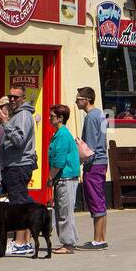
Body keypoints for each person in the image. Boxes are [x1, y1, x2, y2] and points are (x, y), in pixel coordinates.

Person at [0, 85, 38, 257]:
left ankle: (21, 243)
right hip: (14, 165)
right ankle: (24, 240)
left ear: (23, 98)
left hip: (18, 165)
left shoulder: (22, 116)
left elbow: (19, 141)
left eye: (16, 97)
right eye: (10, 96)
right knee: (20, 201)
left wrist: (6, 124)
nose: (12, 100)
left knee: (18, 204)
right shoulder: (19, 115)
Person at [75, 86, 110, 250]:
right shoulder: (102, 115)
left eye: (78, 99)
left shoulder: (90, 118)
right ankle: (101, 237)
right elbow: (103, 141)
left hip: (94, 164)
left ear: (86, 100)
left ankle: (98, 239)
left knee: (95, 200)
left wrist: (84, 163)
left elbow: (89, 147)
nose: (76, 101)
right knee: (101, 199)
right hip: (102, 162)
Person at [47, 104, 80, 254]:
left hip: (65, 178)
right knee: (64, 211)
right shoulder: (61, 133)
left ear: (60, 118)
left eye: (52, 116)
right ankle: (69, 242)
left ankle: (68, 244)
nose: (49, 118)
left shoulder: (62, 134)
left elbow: (59, 161)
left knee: (64, 212)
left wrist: (50, 177)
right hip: (66, 178)